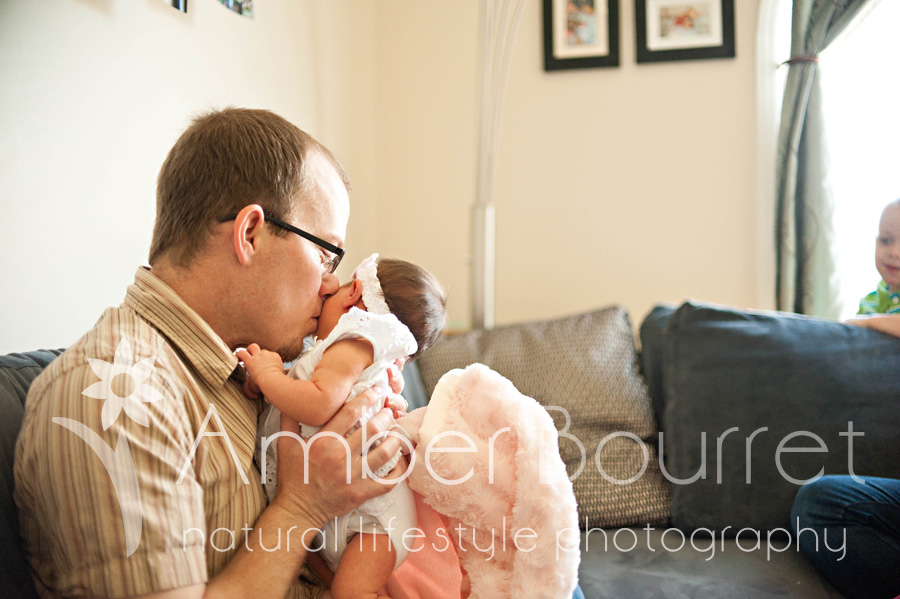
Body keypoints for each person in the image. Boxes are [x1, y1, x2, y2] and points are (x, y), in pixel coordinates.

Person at [13, 108, 408, 599]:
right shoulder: (115, 398)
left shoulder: (256, 366)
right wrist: (303, 508)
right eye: (326, 253)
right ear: (249, 235)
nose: (330, 284)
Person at [238, 253, 446, 599]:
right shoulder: (340, 352)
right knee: (333, 582)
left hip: (375, 518)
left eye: (342, 283)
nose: (328, 286)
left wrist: (269, 374)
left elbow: (318, 404)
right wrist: (271, 386)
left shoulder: (355, 339)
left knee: (350, 592)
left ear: (353, 295)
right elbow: (307, 391)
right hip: (341, 506)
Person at [791, 198, 900, 599]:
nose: (894, 252)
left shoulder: (872, 316)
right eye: (886, 239)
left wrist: (865, 325)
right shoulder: (874, 301)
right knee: (818, 503)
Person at [855, 198, 900, 317]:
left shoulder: (866, 320)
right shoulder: (868, 303)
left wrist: (867, 323)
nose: (894, 252)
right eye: (886, 241)